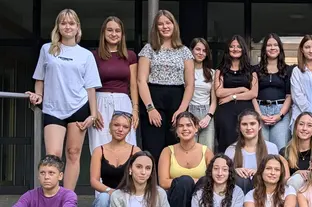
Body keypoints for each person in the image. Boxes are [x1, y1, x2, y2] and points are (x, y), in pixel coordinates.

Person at [27, 9, 102, 191]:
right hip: (53, 109)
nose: (67, 26)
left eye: (71, 23)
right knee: (53, 156)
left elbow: (90, 87)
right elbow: (40, 79)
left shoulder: (86, 55)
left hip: (78, 108)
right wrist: (39, 95)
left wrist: (93, 114)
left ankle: (67, 201)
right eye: (64, 23)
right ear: (58, 27)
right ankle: (51, 199)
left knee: (73, 154)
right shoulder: (47, 49)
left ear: (78, 28)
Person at [137, 10, 194, 161]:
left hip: (177, 100)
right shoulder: (148, 49)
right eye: (160, 24)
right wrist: (150, 108)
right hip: (153, 98)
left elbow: (190, 84)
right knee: (153, 148)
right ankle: (153, 184)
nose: (165, 27)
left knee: (175, 149)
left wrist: (181, 111)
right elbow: (141, 81)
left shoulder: (185, 52)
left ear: (174, 25)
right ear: (156, 28)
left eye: (168, 23)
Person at [88, 112, 141, 207]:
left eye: (125, 127)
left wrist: (119, 194)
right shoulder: (100, 150)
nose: (120, 129)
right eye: (116, 125)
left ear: (129, 130)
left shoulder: (135, 151)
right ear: (110, 127)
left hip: (126, 197)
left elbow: (139, 179)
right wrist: (110, 191)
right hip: (106, 195)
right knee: (104, 197)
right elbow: (93, 180)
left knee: (118, 198)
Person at [158, 112, 214, 207]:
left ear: (196, 128)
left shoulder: (206, 151)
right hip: (175, 200)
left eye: (189, 125)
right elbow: (163, 182)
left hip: (199, 199)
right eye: (181, 126)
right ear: (176, 131)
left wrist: (195, 181)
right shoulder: (168, 151)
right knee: (184, 181)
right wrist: (189, 181)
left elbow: (214, 179)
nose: (185, 129)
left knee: (206, 181)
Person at [90, 16, 138, 154]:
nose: (113, 34)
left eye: (117, 31)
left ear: (122, 34)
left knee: (126, 145)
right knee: (100, 146)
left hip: (123, 102)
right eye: (109, 30)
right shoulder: (93, 56)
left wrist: (135, 110)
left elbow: (133, 85)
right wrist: (94, 111)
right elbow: (89, 85)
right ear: (103, 33)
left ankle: (126, 176)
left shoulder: (130, 56)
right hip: (100, 102)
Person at [214, 35, 258, 152]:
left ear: (243, 49)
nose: (235, 49)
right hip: (225, 112)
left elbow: (253, 93)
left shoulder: (251, 70)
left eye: (238, 46)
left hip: (246, 111)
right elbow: (219, 92)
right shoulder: (221, 70)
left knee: (246, 143)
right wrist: (241, 89)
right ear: (228, 49)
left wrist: (232, 97)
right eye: (232, 46)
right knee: (227, 143)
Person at [224, 109, 282, 194]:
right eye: (244, 124)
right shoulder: (231, 150)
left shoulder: (271, 148)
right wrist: (234, 171)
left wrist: (259, 172)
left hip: (263, 193)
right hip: (238, 193)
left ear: (259, 126)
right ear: (239, 127)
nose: (248, 128)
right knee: (241, 180)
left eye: (252, 123)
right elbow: (223, 175)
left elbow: (277, 174)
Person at [253, 33, 292, 150]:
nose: (272, 48)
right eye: (269, 45)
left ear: (280, 49)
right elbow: (253, 95)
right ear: (264, 48)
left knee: (280, 148)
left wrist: (280, 115)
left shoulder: (287, 70)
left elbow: (289, 96)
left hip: (280, 111)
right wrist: (259, 115)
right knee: (261, 149)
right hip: (260, 110)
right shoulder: (255, 69)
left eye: (275, 45)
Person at [189, 38, 217, 148]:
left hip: (206, 112)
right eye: (198, 49)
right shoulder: (185, 71)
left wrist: (208, 116)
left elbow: (214, 100)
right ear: (191, 50)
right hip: (190, 111)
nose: (201, 53)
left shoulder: (211, 73)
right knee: (190, 148)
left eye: (204, 50)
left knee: (208, 149)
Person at [290, 35, 312, 131]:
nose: (311, 51)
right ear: (302, 50)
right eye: (307, 47)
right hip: (301, 115)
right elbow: (297, 96)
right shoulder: (297, 71)